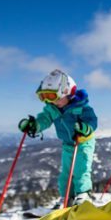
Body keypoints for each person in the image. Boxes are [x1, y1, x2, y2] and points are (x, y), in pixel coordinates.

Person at [18, 69, 98, 205]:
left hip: (83, 142)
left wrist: (85, 128)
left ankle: (83, 195)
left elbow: (92, 121)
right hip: (68, 143)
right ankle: (67, 197)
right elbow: (45, 119)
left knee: (81, 169)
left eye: (52, 96)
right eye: (45, 96)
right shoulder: (53, 108)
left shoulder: (82, 107)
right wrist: (34, 125)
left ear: (67, 92)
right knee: (65, 174)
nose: (50, 101)